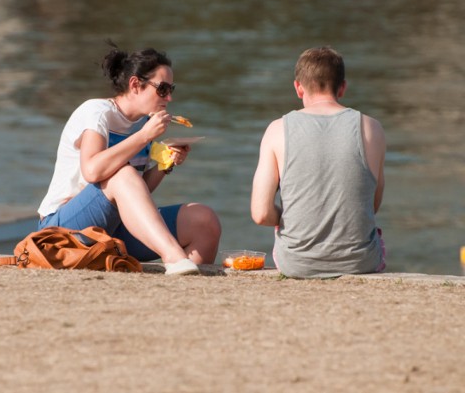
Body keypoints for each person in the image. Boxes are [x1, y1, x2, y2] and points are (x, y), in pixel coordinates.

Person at [37, 42, 221, 275]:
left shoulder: (143, 123)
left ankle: (188, 290)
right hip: (62, 231)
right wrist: (144, 137)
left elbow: (136, 193)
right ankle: (174, 258)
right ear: (135, 85)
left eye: (171, 89)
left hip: (112, 228)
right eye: (162, 89)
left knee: (204, 220)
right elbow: (92, 171)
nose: (169, 98)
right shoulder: (97, 112)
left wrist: (165, 165)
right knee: (123, 172)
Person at [250, 46, 386, 278]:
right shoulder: (371, 128)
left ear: (298, 88)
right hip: (360, 261)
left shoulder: (277, 130)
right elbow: (370, 205)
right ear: (342, 88)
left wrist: (289, 217)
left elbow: (261, 214)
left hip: (296, 263)